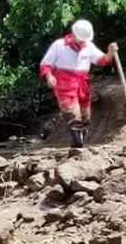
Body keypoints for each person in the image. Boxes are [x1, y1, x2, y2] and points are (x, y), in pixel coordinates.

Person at [39, 19, 118, 148]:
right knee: (73, 115)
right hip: (65, 84)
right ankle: (77, 144)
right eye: (80, 39)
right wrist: (49, 76)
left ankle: (79, 143)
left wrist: (110, 52)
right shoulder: (59, 45)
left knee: (85, 117)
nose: (82, 42)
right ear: (74, 35)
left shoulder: (89, 46)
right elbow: (46, 64)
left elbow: (103, 60)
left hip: (82, 84)